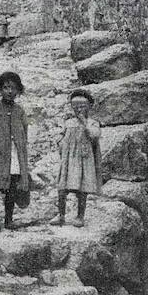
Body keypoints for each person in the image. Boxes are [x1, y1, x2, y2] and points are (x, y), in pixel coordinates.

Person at [0, 70, 30, 231]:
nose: (10, 91)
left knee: (12, 187)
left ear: (18, 90)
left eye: (14, 88)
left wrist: (21, 147)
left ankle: (9, 220)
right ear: (0, 89)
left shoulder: (20, 111)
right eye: (6, 87)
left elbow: (24, 131)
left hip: (14, 154)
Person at [53, 89, 102, 226]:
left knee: (82, 189)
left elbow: (95, 135)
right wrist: (59, 141)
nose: (79, 110)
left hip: (83, 160)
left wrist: (84, 123)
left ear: (89, 106)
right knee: (62, 188)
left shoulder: (92, 123)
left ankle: (80, 216)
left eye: (82, 106)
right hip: (69, 160)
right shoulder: (68, 122)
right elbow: (61, 135)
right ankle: (61, 215)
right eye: (75, 107)